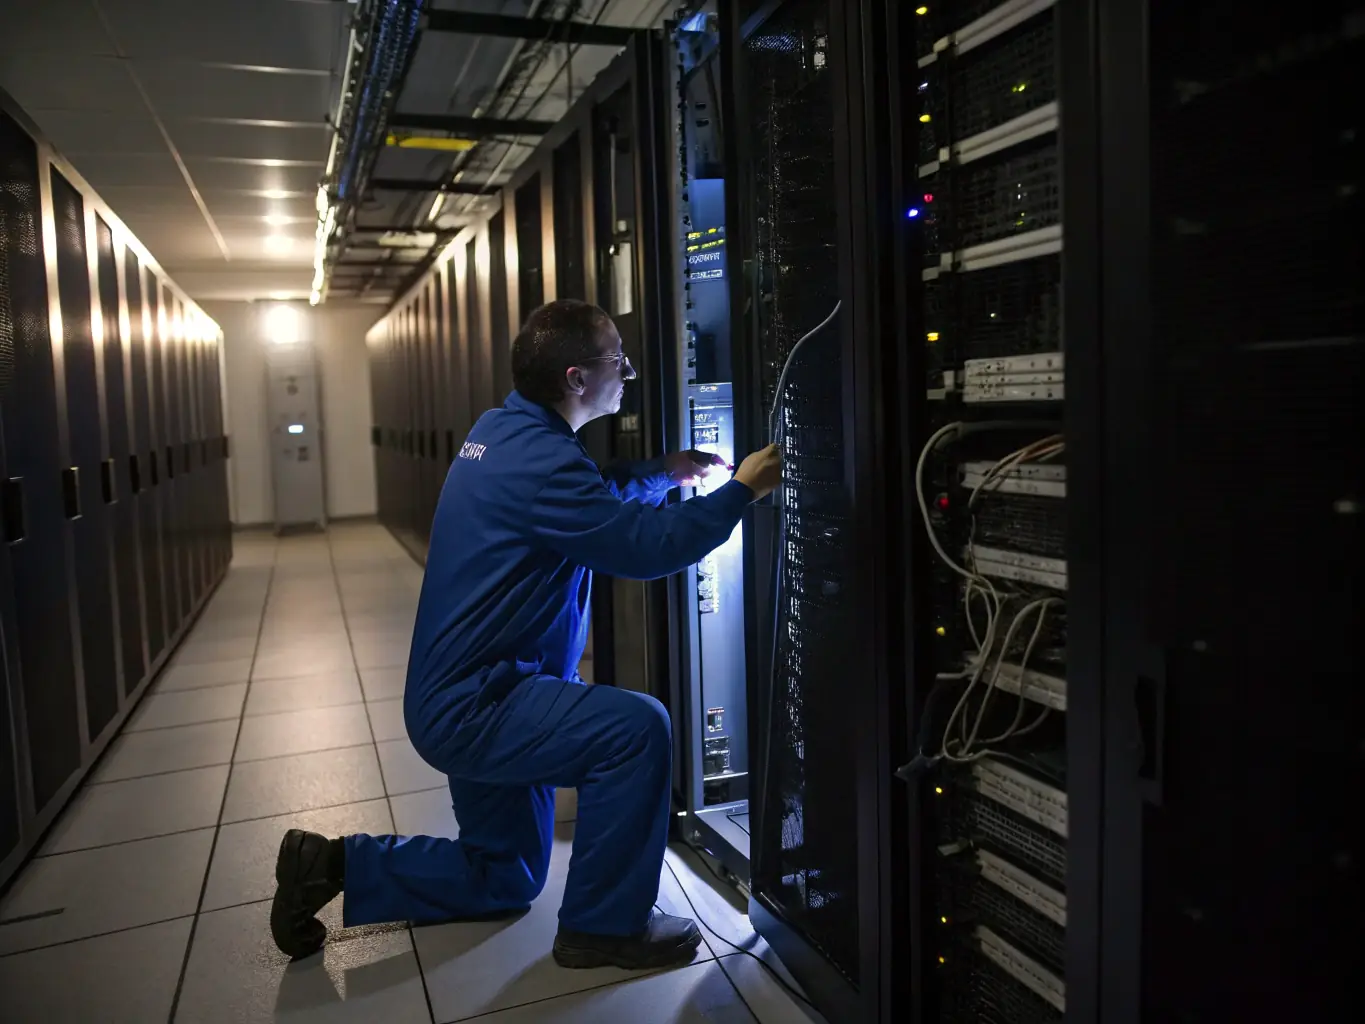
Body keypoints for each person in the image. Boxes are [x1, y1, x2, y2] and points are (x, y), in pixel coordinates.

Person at [269, 298, 782, 970]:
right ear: (575, 379)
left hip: (463, 693)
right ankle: (603, 928)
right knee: (635, 730)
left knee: (503, 877)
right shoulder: (542, 460)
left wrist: (662, 472)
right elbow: (643, 548)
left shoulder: (502, 431)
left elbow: (583, 501)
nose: (627, 371)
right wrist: (742, 489)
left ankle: (330, 863)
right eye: (615, 359)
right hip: (484, 705)